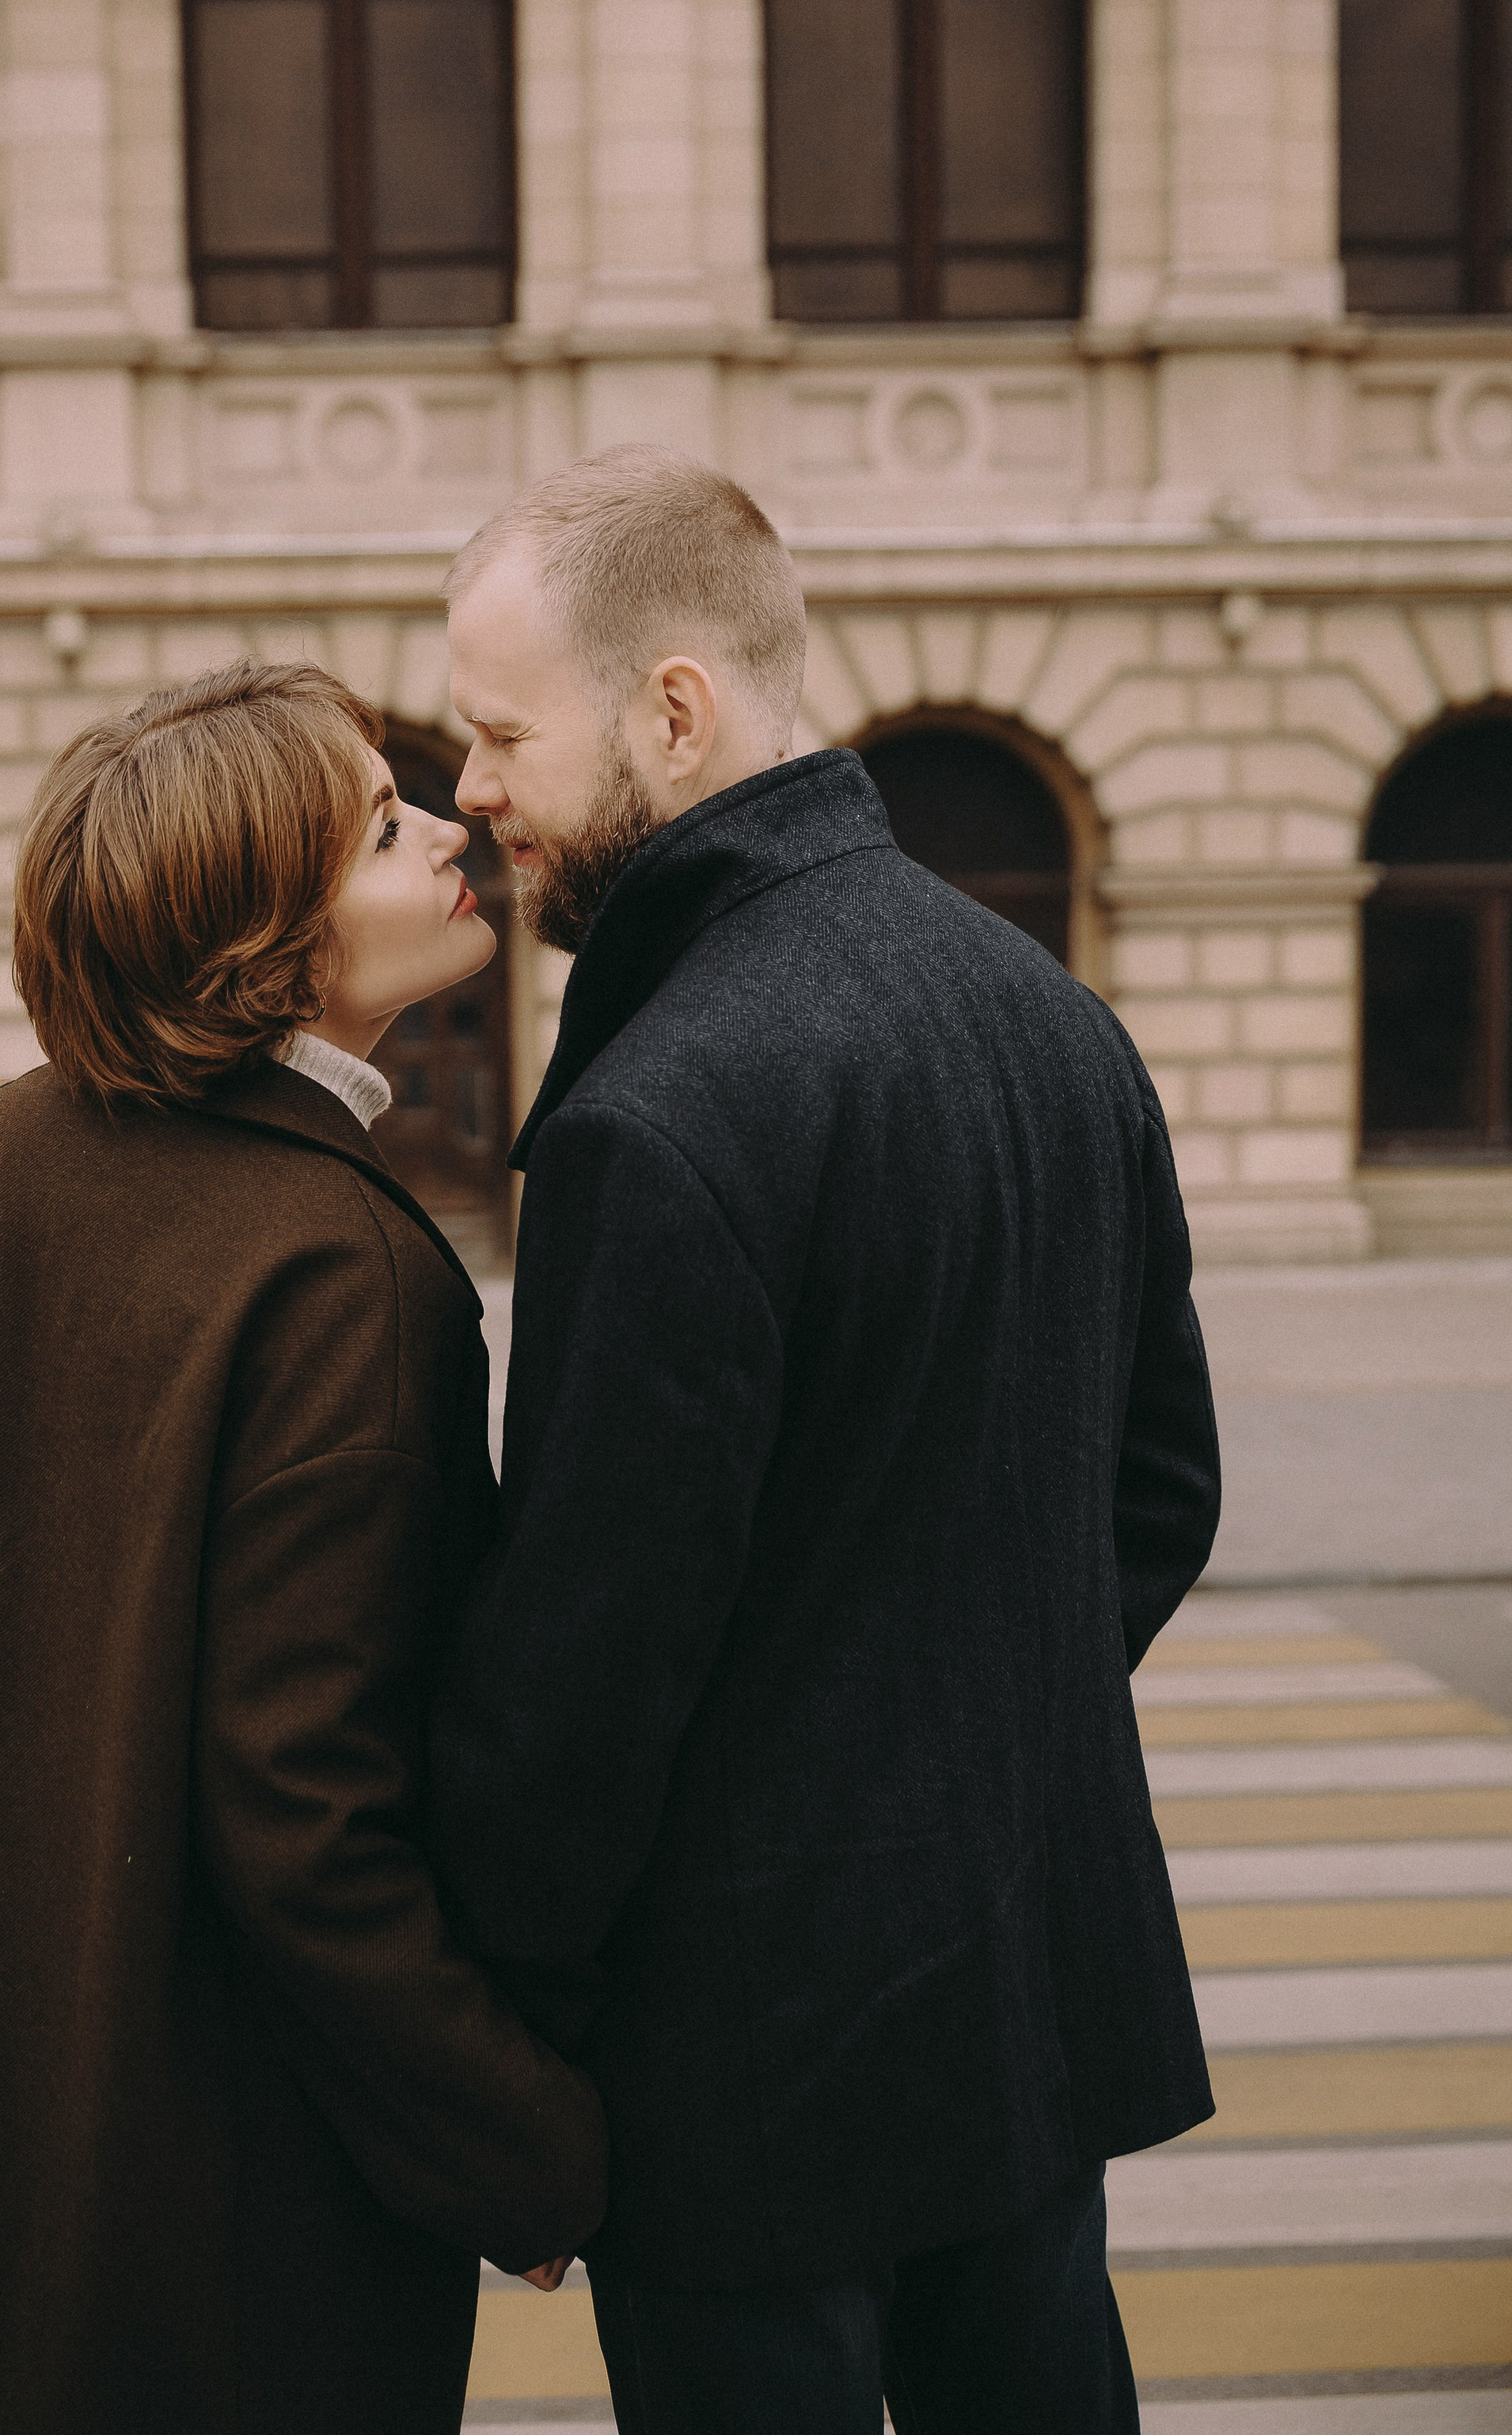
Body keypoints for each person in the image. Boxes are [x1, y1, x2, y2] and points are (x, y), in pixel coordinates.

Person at [431, 447, 1221, 2435]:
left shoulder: (658, 1110)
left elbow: (587, 1669)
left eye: (498, 734)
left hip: (745, 2062)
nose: (471, 794)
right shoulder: (1046, 1014)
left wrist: (499, 2041)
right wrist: (955, 1745)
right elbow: (1158, 1493)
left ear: (670, 712)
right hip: (1022, 1994)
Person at [0, 661, 604, 2435]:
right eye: (381, 827)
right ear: (261, 939)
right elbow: (301, 1813)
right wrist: (517, 2142)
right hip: (194, 2211)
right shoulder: (346, 1271)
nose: (449, 833)